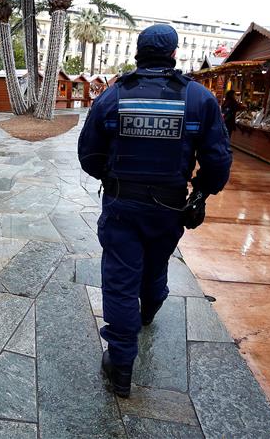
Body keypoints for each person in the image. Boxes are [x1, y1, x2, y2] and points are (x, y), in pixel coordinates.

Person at [77, 24, 232, 398]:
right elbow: (217, 159)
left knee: (120, 280)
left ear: (137, 53)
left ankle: (121, 366)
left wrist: (115, 178)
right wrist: (202, 191)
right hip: (169, 206)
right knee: (156, 263)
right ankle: (150, 308)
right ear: (174, 54)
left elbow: (89, 155)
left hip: (121, 206)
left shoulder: (113, 97)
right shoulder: (198, 98)